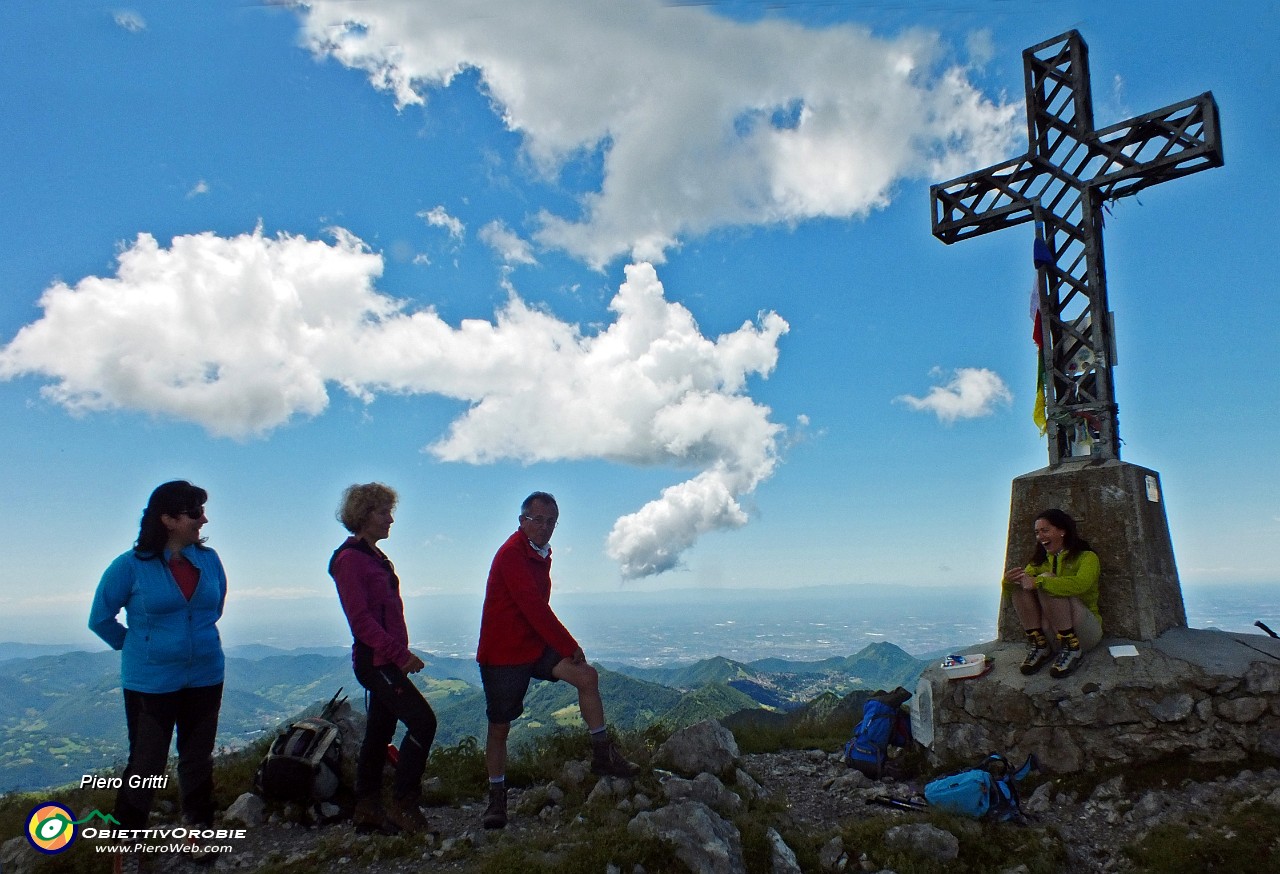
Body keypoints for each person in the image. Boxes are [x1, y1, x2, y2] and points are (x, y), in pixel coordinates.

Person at [477, 491, 638, 830]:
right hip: (504, 652)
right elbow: (534, 608)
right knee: (500, 727)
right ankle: (496, 798)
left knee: (587, 677)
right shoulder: (511, 554)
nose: (546, 527)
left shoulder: (538, 554)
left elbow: (537, 611)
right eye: (539, 520)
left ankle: (602, 755)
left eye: (552, 522)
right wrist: (568, 644)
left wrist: (560, 646)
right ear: (522, 521)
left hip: (532, 645)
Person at [88, 481, 228, 868]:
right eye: (194, 512)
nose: (203, 519)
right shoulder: (129, 566)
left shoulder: (210, 560)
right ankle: (123, 847)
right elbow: (100, 619)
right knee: (146, 765)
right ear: (167, 519)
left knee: (198, 758)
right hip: (150, 683)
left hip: (205, 675)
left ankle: (198, 833)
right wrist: (137, 648)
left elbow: (212, 610)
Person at [329, 482, 437, 835]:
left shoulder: (373, 557)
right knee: (423, 722)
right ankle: (403, 803)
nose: (390, 519)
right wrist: (399, 655)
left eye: (390, 512)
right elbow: (361, 622)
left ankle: (367, 806)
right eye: (382, 512)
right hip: (377, 662)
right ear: (363, 516)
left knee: (379, 732)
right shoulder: (349, 561)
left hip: (385, 660)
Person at [1003, 508, 1103, 678]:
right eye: (1037, 532)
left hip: (1084, 631)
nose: (1040, 536)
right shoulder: (1038, 562)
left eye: (1045, 530)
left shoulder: (1087, 557)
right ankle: (1040, 644)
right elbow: (1016, 595)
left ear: (1062, 531)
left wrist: (1041, 581)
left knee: (1046, 579)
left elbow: (1082, 584)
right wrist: (1008, 583)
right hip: (1052, 634)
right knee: (1021, 584)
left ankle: (1072, 647)